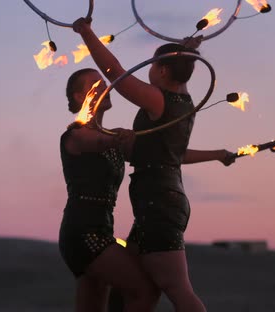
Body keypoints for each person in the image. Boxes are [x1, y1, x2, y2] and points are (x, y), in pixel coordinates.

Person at [72, 18, 235, 312]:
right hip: (159, 202)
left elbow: (116, 72)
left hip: (159, 204)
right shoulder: (183, 99)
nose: (147, 71)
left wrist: (87, 33)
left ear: (162, 70)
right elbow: (177, 156)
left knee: (178, 290)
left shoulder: (159, 99)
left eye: (152, 65)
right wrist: (217, 153)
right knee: (135, 288)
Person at [59, 68, 160, 312]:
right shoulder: (74, 135)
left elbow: (165, 156)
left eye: (104, 82)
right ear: (78, 97)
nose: (105, 87)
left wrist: (219, 155)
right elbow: (95, 141)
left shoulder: (113, 138)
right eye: (95, 85)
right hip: (83, 234)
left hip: (103, 231)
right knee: (144, 290)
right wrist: (116, 138)